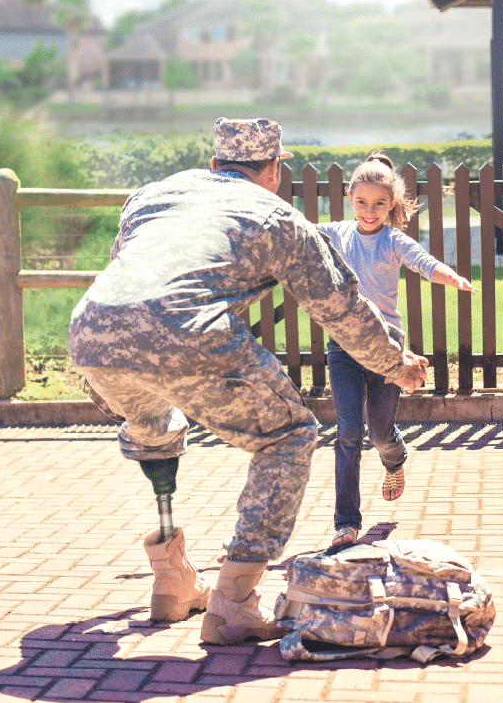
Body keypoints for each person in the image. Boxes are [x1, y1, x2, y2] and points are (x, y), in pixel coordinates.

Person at [68, 118, 428, 646]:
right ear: (275, 172)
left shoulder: (151, 194)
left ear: (215, 165)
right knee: (288, 437)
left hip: (93, 332)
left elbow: (128, 271)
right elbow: (341, 310)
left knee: (155, 424)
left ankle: (172, 581)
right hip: (187, 330)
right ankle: (233, 602)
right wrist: (397, 365)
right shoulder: (279, 217)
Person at [316, 152, 474, 547]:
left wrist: (450, 277)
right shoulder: (335, 233)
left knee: (381, 431)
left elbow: (423, 262)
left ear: (392, 204)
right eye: (363, 203)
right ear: (350, 197)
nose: (370, 211)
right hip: (344, 347)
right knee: (349, 431)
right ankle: (346, 523)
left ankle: (395, 459)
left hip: (388, 352)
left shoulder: (392, 239)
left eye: (380, 204)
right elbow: (293, 232)